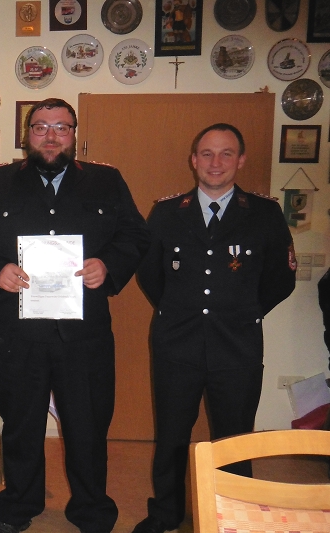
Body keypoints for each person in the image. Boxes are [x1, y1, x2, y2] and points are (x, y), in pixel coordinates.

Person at [0, 98, 150, 533]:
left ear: (74, 134)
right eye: (41, 127)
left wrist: (109, 265)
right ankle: (18, 507)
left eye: (62, 127)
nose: (51, 136)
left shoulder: (106, 181)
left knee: (88, 427)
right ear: (27, 134)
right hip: (15, 332)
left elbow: (135, 235)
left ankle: (91, 511)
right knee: (20, 426)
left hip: (84, 335)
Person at [133, 123, 297, 533]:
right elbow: (150, 275)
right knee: (171, 435)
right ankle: (166, 514)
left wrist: (242, 311)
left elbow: (281, 278)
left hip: (237, 345)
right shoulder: (167, 213)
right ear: (194, 160)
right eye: (206, 153)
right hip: (176, 344)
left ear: (241, 160)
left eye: (226, 153)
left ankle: (233, 513)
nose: (216, 162)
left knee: (234, 438)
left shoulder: (264, 214)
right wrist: (180, 311)